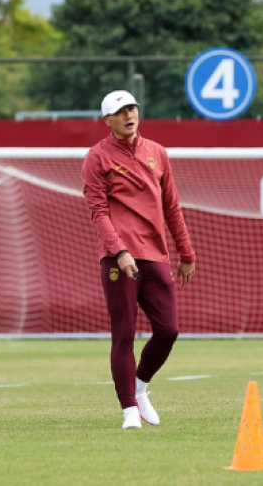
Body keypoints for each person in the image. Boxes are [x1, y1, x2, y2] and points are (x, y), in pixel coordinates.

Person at [82, 90, 197, 429]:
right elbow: (98, 211)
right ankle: (128, 409)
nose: (129, 114)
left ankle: (140, 386)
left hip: (156, 254)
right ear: (108, 121)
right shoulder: (97, 157)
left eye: (132, 108)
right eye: (120, 111)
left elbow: (172, 207)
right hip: (119, 259)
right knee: (125, 334)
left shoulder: (157, 153)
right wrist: (119, 251)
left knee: (169, 330)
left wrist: (186, 253)